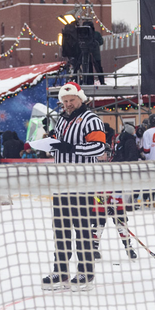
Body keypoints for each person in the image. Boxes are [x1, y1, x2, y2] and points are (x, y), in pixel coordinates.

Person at [25, 81, 106, 289]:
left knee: (82, 229)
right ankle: (60, 271)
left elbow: (98, 148)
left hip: (81, 182)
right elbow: (57, 142)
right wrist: (48, 142)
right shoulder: (61, 120)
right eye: (65, 101)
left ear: (81, 98)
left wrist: (71, 148)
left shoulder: (91, 119)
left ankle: (85, 273)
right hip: (61, 183)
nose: (68, 104)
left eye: (72, 100)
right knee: (60, 229)